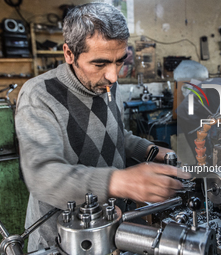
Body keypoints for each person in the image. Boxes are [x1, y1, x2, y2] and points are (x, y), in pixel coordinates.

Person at [15, 3, 189, 252]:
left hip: (114, 225)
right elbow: (43, 173)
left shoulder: (108, 85)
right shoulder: (39, 94)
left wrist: (153, 151)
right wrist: (118, 182)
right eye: (100, 64)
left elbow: (118, 135)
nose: (113, 76)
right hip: (62, 239)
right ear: (69, 53)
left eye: (119, 61)